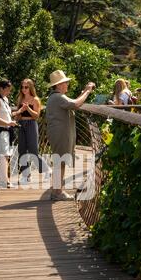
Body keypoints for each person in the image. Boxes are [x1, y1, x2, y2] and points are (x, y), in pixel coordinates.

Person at [46, 70, 96, 201]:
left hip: (58, 133)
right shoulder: (57, 97)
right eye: (65, 83)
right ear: (59, 85)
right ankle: (57, 192)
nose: (67, 85)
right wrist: (87, 91)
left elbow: (73, 102)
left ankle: (56, 190)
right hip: (60, 133)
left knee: (60, 161)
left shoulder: (56, 97)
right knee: (60, 162)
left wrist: (83, 92)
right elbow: (75, 104)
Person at [14, 78, 51, 184]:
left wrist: (28, 108)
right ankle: (26, 175)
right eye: (22, 87)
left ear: (30, 87)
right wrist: (14, 119)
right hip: (21, 124)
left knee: (33, 151)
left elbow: (36, 115)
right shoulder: (20, 99)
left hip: (31, 124)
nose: (23, 89)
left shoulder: (35, 99)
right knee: (21, 151)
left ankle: (47, 170)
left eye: (26, 87)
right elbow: (19, 114)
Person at [0, 79, 17, 188]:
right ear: (0, 88)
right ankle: (4, 182)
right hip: (1, 130)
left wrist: (18, 113)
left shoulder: (5, 100)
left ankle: (4, 180)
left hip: (6, 130)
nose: (8, 92)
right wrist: (8, 123)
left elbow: (7, 115)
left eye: (9, 90)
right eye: (7, 90)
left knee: (5, 155)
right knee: (3, 155)